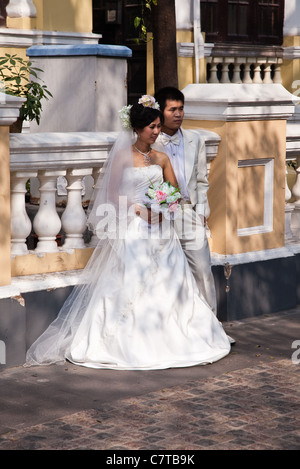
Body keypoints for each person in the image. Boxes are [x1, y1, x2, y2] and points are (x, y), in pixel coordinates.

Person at [25, 95, 231, 370]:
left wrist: (164, 208)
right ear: (137, 129)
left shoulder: (162, 157)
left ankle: (174, 336)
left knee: (171, 281)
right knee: (130, 279)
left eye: (159, 126)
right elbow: (112, 195)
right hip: (135, 227)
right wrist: (139, 210)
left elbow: (177, 192)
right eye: (152, 127)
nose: (157, 131)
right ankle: (122, 341)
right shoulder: (123, 156)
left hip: (161, 229)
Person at [154, 87, 217, 316]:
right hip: (160, 216)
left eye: (181, 109)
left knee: (202, 270)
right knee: (164, 274)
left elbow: (202, 180)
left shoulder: (195, 140)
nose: (179, 114)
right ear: (160, 112)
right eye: (172, 109)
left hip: (189, 213)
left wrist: (201, 213)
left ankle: (212, 326)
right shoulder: (150, 141)